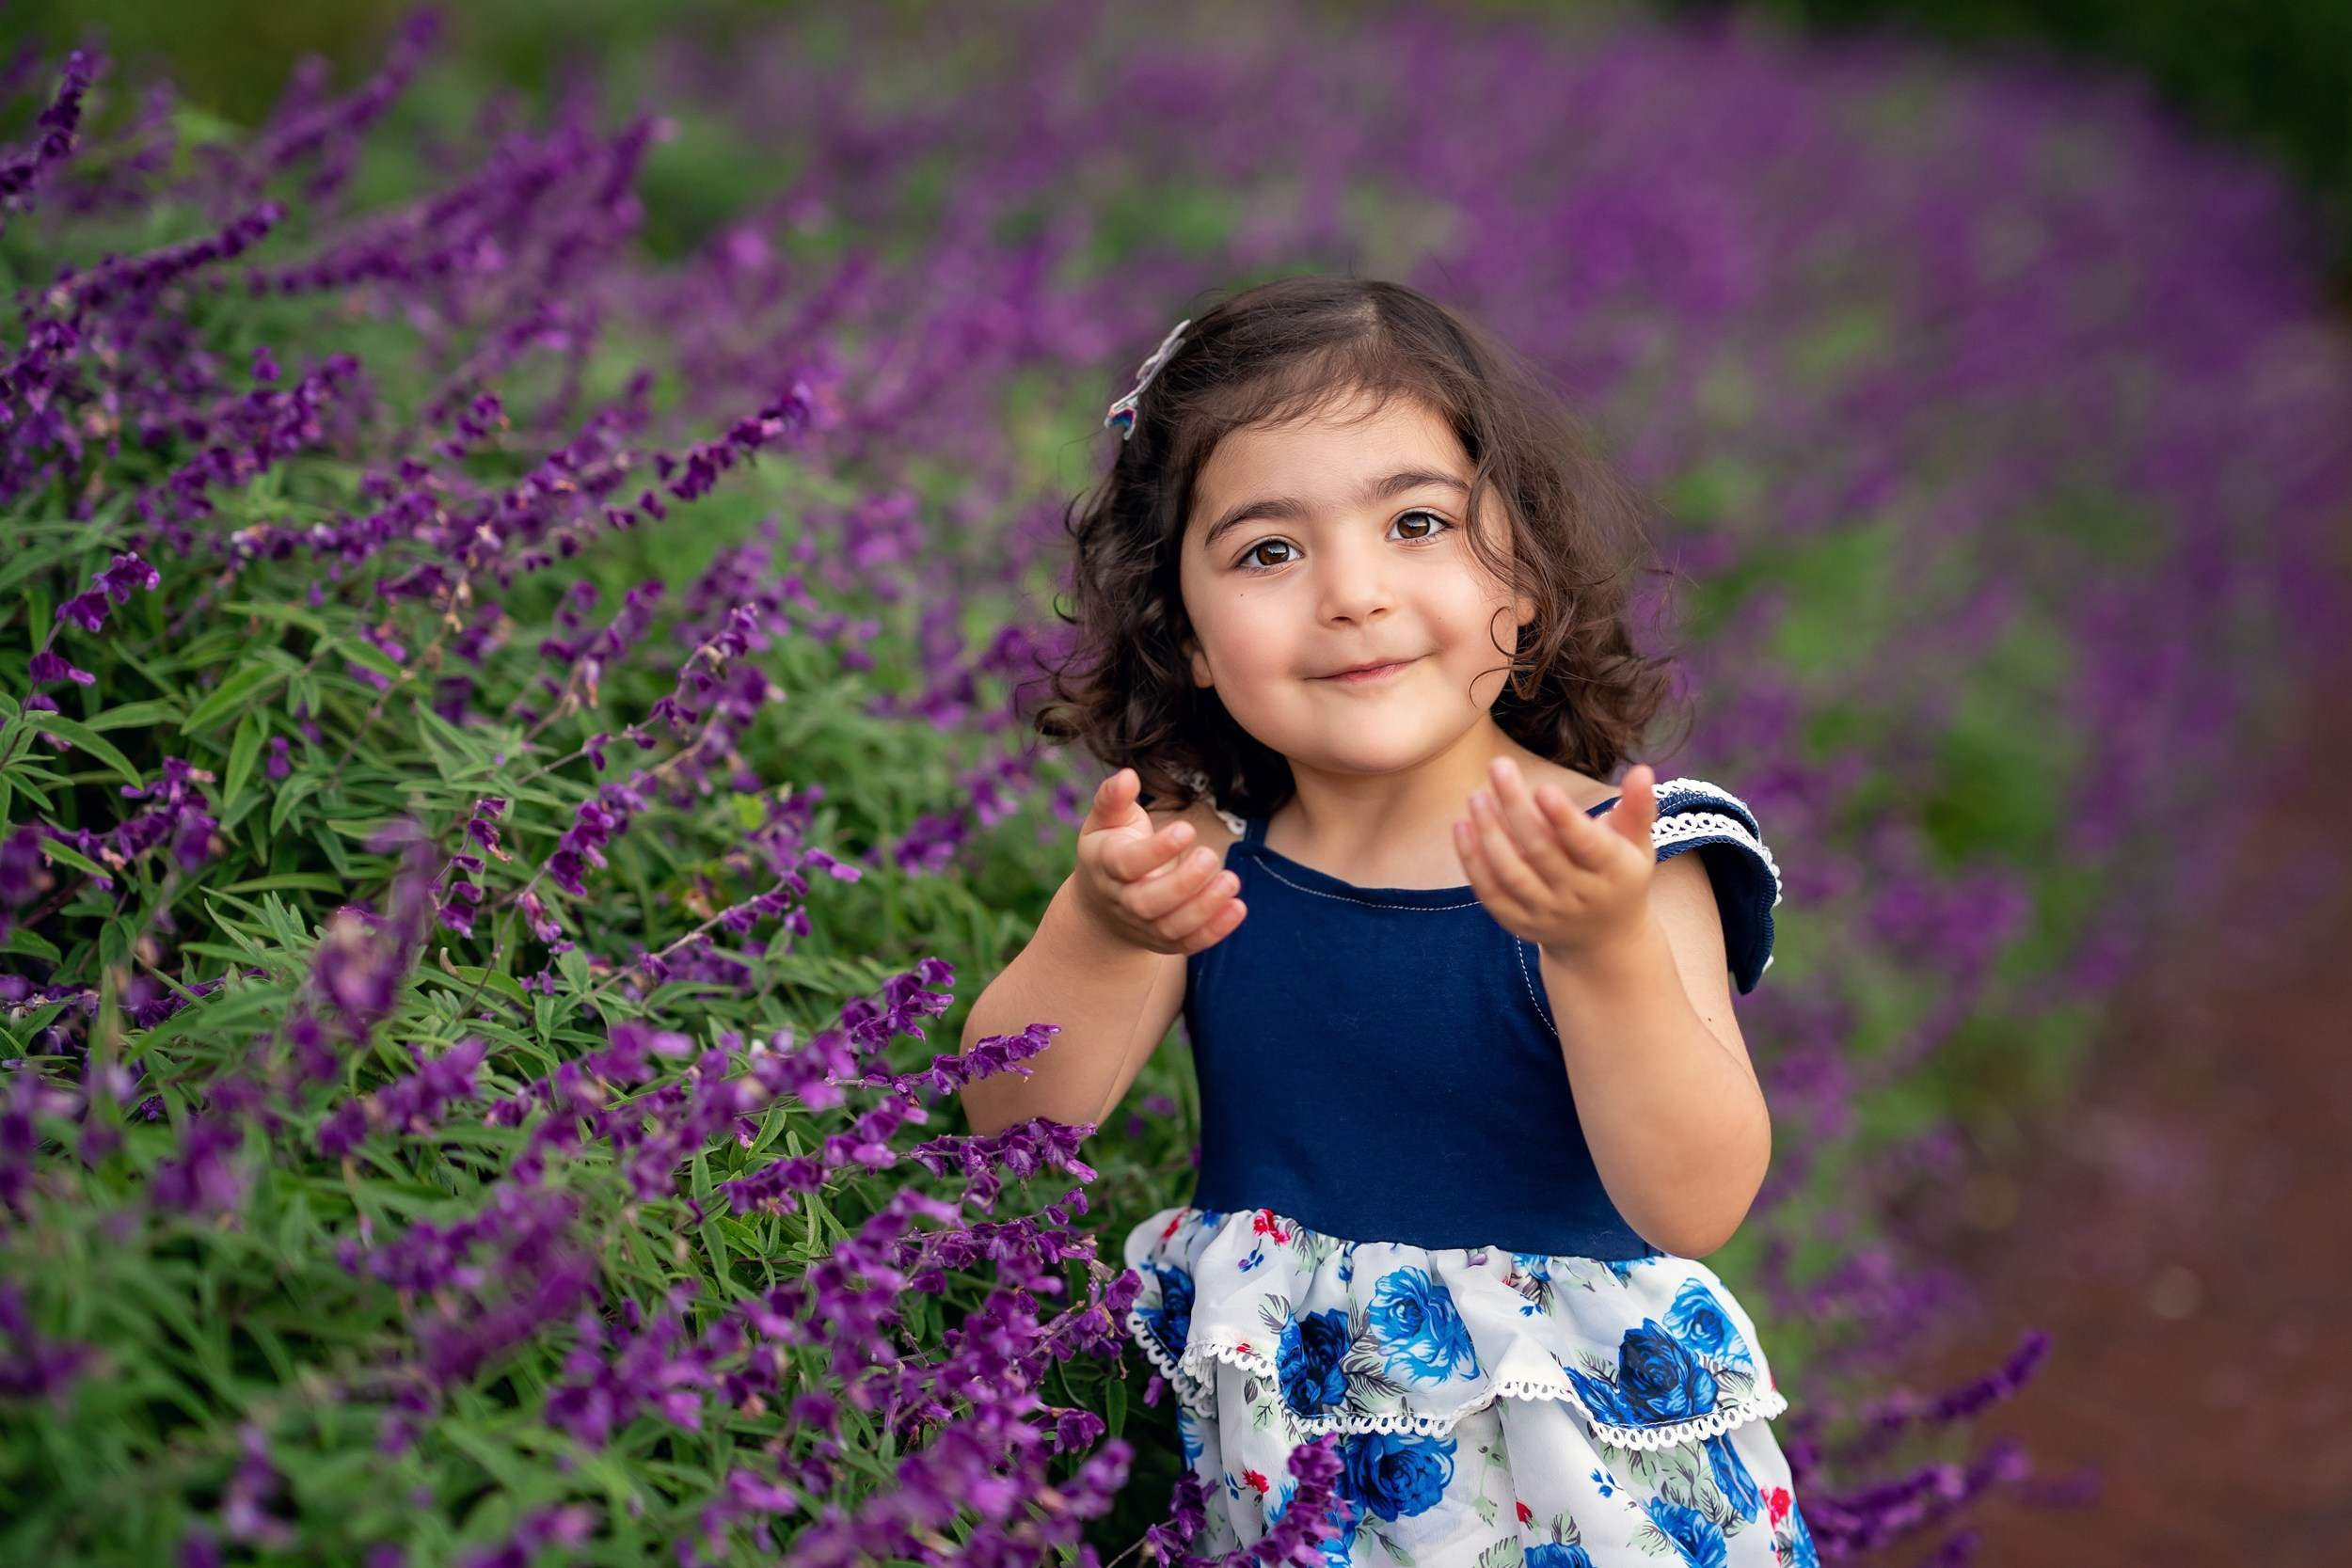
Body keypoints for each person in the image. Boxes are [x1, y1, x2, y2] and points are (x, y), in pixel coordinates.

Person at [959, 276, 1819, 1568]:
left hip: (1592, 1506)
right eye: (1268, 551)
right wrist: (1099, 930)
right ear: (1185, 636)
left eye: (1417, 522)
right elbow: (1014, 1120)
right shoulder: (1205, 858)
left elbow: (1696, 1201)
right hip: (1290, 1502)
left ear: (1524, 577)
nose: (1352, 592)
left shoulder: (1618, 858)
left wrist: (1602, 954)